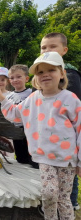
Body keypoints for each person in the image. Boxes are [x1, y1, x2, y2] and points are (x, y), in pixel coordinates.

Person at [0, 51, 81, 220]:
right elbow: (13, 113)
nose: (45, 74)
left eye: (51, 70)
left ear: (62, 73)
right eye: (40, 72)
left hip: (67, 159)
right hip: (44, 158)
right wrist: (1, 96)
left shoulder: (71, 99)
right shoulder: (33, 99)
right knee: (48, 194)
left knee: (63, 198)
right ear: (35, 77)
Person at [41, 32, 81, 211]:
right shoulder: (42, 71)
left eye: (52, 46)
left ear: (64, 50)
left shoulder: (70, 74)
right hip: (48, 136)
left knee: (68, 174)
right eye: (43, 47)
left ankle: (69, 203)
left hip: (66, 138)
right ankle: (53, 205)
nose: (47, 50)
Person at [6, 64, 38, 168]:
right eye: (12, 77)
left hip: (30, 129)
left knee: (33, 159)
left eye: (19, 77)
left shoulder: (32, 93)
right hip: (16, 129)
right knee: (20, 158)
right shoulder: (8, 96)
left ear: (27, 78)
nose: (15, 80)